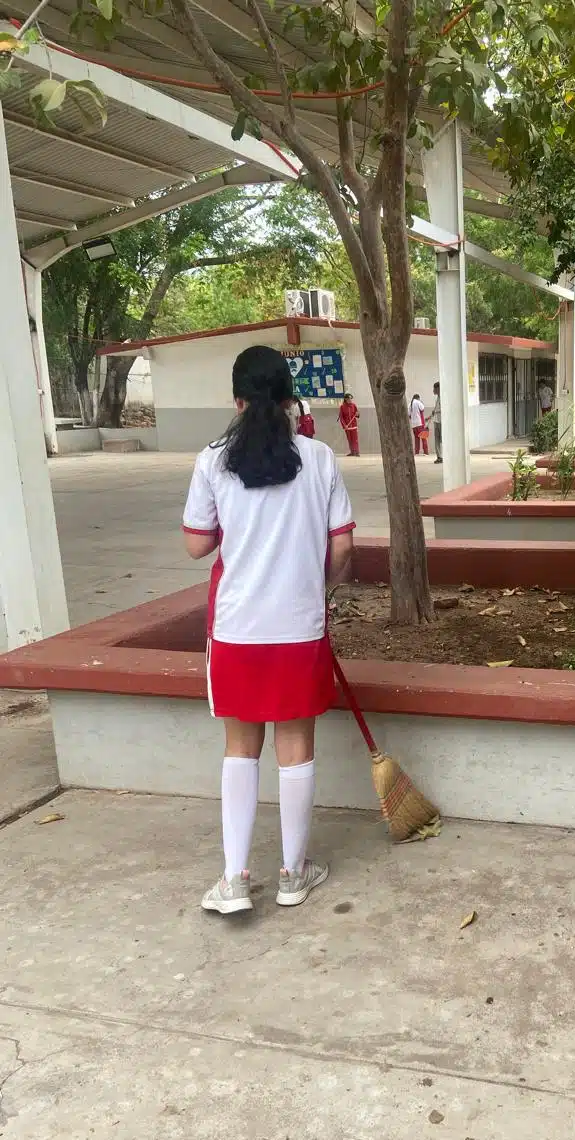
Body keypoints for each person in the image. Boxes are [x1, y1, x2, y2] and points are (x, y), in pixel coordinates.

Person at [182, 345, 355, 915]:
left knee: (240, 747)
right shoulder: (321, 458)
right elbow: (343, 549)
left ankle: (234, 879)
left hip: (236, 628)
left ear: (236, 401)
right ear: (289, 399)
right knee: (296, 745)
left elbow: (196, 543)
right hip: (298, 626)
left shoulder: (212, 460)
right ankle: (291, 874)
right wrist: (311, 579)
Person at [338, 392, 360, 457]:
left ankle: (357, 452)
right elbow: (341, 417)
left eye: (351, 399)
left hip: (353, 425)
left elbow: (357, 414)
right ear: (346, 399)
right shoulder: (342, 407)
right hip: (347, 426)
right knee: (349, 439)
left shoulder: (354, 405)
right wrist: (344, 425)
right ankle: (352, 452)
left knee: (355, 439)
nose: (350, 400)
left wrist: (357, 414)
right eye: (349, 399)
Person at [429, 381, 442, 463]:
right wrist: (430, 416)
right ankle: (439, 457)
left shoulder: (443, 397)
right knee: (436, 440)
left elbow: (444, 409)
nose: (433, 390)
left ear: (438, 389)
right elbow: (436, 409)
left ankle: (445, 456)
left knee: (442, 439)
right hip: (436, 421)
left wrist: (436, 411)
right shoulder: (437, 398)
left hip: (442, 421)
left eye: (434, 388)